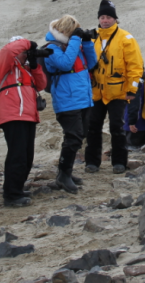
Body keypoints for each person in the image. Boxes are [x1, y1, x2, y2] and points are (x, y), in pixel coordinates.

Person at [86, 0, 144, 174]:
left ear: (115, 19)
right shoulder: (90, 37)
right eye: (102, 17)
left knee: (117, 128)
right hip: (95, 92)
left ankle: (119, 162)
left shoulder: (126, 38)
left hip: (118, 92)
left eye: (108, 17)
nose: (105, 20)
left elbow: (135, 66)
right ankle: (92, 163)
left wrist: (132, 90)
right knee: (93, 128)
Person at [44, 15, 97, 192]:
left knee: (78, 136)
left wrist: (88, 43)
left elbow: (91, 64)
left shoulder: (73, 46)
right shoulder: (51, 48)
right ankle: (63, 176)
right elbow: (65, 64)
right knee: (73, 137)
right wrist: (75, 39)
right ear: (66, 31)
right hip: (67, 100)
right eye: (74, 31)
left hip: (83, 98)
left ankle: (65, 172)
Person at [0, 37, 47, 206]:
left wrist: (35, 64)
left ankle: (17, 187)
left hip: (27, 114)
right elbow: (9, 51)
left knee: (26, 155)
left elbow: (41, 84)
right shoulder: (1, 62)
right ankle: (11, 195)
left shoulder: (26, 68)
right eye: (22, 52)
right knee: (17, 155)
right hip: (12, 113)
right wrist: (29, 43)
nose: (25, 54)